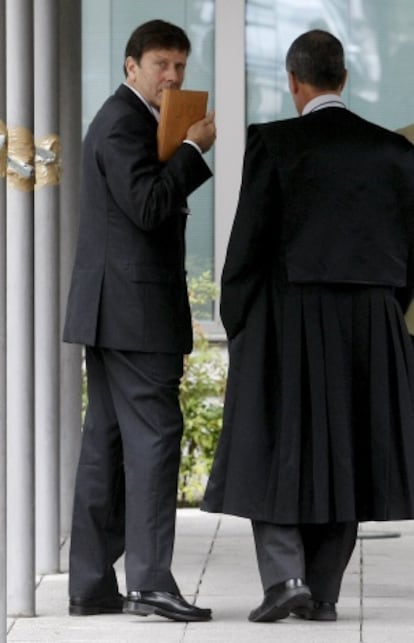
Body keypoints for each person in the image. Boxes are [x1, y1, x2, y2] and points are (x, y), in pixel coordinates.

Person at [202, 29, 414, 624]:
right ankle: (321, 593)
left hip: (286, 315)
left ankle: (286, 576)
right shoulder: (396, 153)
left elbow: (248, 242)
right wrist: (386, 311)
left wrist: (237, 319)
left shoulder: (274, 143)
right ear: (343, 79)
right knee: (350, 446)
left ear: (295, 82)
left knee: (267, 440)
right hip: (370, 318)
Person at [63, 19, 216, 622]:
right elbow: (150, 206)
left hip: (112, 314)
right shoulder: (124, 122)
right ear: (131, 67)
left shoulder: (125, 120)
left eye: (180, 64)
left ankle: (92, 585)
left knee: (104, 446)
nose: (173, 75)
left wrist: (178, 149)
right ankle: (150, 581)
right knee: (154, 442)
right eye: (161, 64)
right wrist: (193, 150)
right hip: (135, 315)